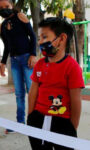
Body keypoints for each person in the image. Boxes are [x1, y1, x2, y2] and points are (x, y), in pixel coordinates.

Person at [27, 17, 84, 150]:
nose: (40, 41)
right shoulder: (39, 64)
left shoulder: (72, 67)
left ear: (62, 39)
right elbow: (33, 91)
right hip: (38, 119)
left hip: (63, 123)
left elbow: (76, 99)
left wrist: (72, 127)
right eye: (39, 37)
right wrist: (30, 116)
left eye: (44, 37)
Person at [0, 0, 37, 131]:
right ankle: (20, 123)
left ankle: (35, 122)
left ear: (12, 6)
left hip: (26, 59)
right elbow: (7, 46)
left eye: (6, 6)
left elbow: (32, 36)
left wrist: (33, 54)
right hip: (13, 61)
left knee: (32, 91)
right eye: (1, 7)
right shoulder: (2, 26)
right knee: (19, 93)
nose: (4, 9)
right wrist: (2, 63)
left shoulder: (20, 16)